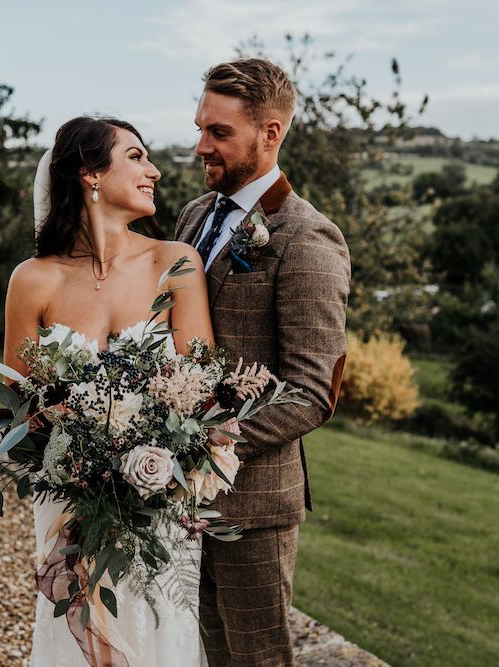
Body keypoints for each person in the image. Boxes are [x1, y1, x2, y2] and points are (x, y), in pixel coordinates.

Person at [3, 116, 212, 666]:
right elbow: (20, 407)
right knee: (74, 639)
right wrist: (75, 434)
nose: (156, 171)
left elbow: (200, 393)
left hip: (158, 498)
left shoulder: (176, 264)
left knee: (159, 635)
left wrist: (143, 450)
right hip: (68, 499)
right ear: (90, 174)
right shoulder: (33, 279)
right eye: (137, 157)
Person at [175, 59, 351, 666]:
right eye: (201, 127)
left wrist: (202, 443)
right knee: (197, 650)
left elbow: (311, 391)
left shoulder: (308, 239)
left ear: (270, 133)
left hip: (252, 507)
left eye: (219, 132)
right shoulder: (195, 215)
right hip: (175, 499)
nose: (201, 145)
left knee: (254, 660)